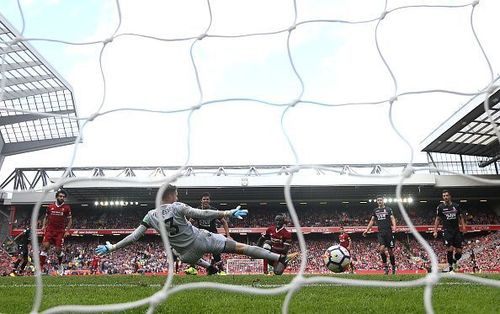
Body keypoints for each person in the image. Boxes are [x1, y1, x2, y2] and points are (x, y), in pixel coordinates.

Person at [95, 184, 297, 276]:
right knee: (241, 248)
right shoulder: (178, 206)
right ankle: (279, 259)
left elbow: (134, 237)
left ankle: (208, 266)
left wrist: (112, 248)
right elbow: (202, 214)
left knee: (178, 256)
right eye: (176, 193)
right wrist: (227, 213)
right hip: (203, 239)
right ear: (172, 194)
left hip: (187, 253)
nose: (177, 196)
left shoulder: (150, 215)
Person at [185, 192, 231, 275]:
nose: (205, 200)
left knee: (216, 253)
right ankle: (192, 268)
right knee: (194, 250)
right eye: (204, 199)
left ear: (209, 201)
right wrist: (186, 231)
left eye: (207, 199)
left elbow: (224, 222)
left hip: (212, 234)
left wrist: (228, 235)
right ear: (201, 201)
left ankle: (221, 270)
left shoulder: (214, 210)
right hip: (201, 234)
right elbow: (190, 222)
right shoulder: (197, 211)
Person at [40, 188, 72, 275]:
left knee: (58, 251)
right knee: (45, 247)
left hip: (60, 232)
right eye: (60, 196)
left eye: (63, 197)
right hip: (49, 230)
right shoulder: (50, 207)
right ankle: (39, 269)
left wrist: (67, 231)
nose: (62, 198)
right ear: (56, 197)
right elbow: (46, 217)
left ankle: (60, 265)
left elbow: (70, 220)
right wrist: (43, 226)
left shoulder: (66, 208)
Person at [433, 190, 466, 273]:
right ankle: (451, 268)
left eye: (447, 195)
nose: (445, 197)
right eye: (444, 196)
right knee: (450, 249)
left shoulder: (456, 206)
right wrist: (435, 230)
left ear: (450, 196)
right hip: (447, 231)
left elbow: (461, 217)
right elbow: (437, 219)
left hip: (456, 230)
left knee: (459, 251)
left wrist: (464, 227)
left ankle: (454, 260)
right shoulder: (440, 207)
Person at [363, 196, 397, 275]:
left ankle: (393, 266)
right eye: (378, 200)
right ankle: (385, 267)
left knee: (390, 251)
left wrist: (394, 226)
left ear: (383, 201)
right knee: (381, 249)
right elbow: (372, 221)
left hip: (389, 232)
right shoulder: (375, 210)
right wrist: (367, 230)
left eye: (380, 200)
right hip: (381, 232)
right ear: (377, 201)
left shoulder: (388, 209)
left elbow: (392, 218)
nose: (379, 201)